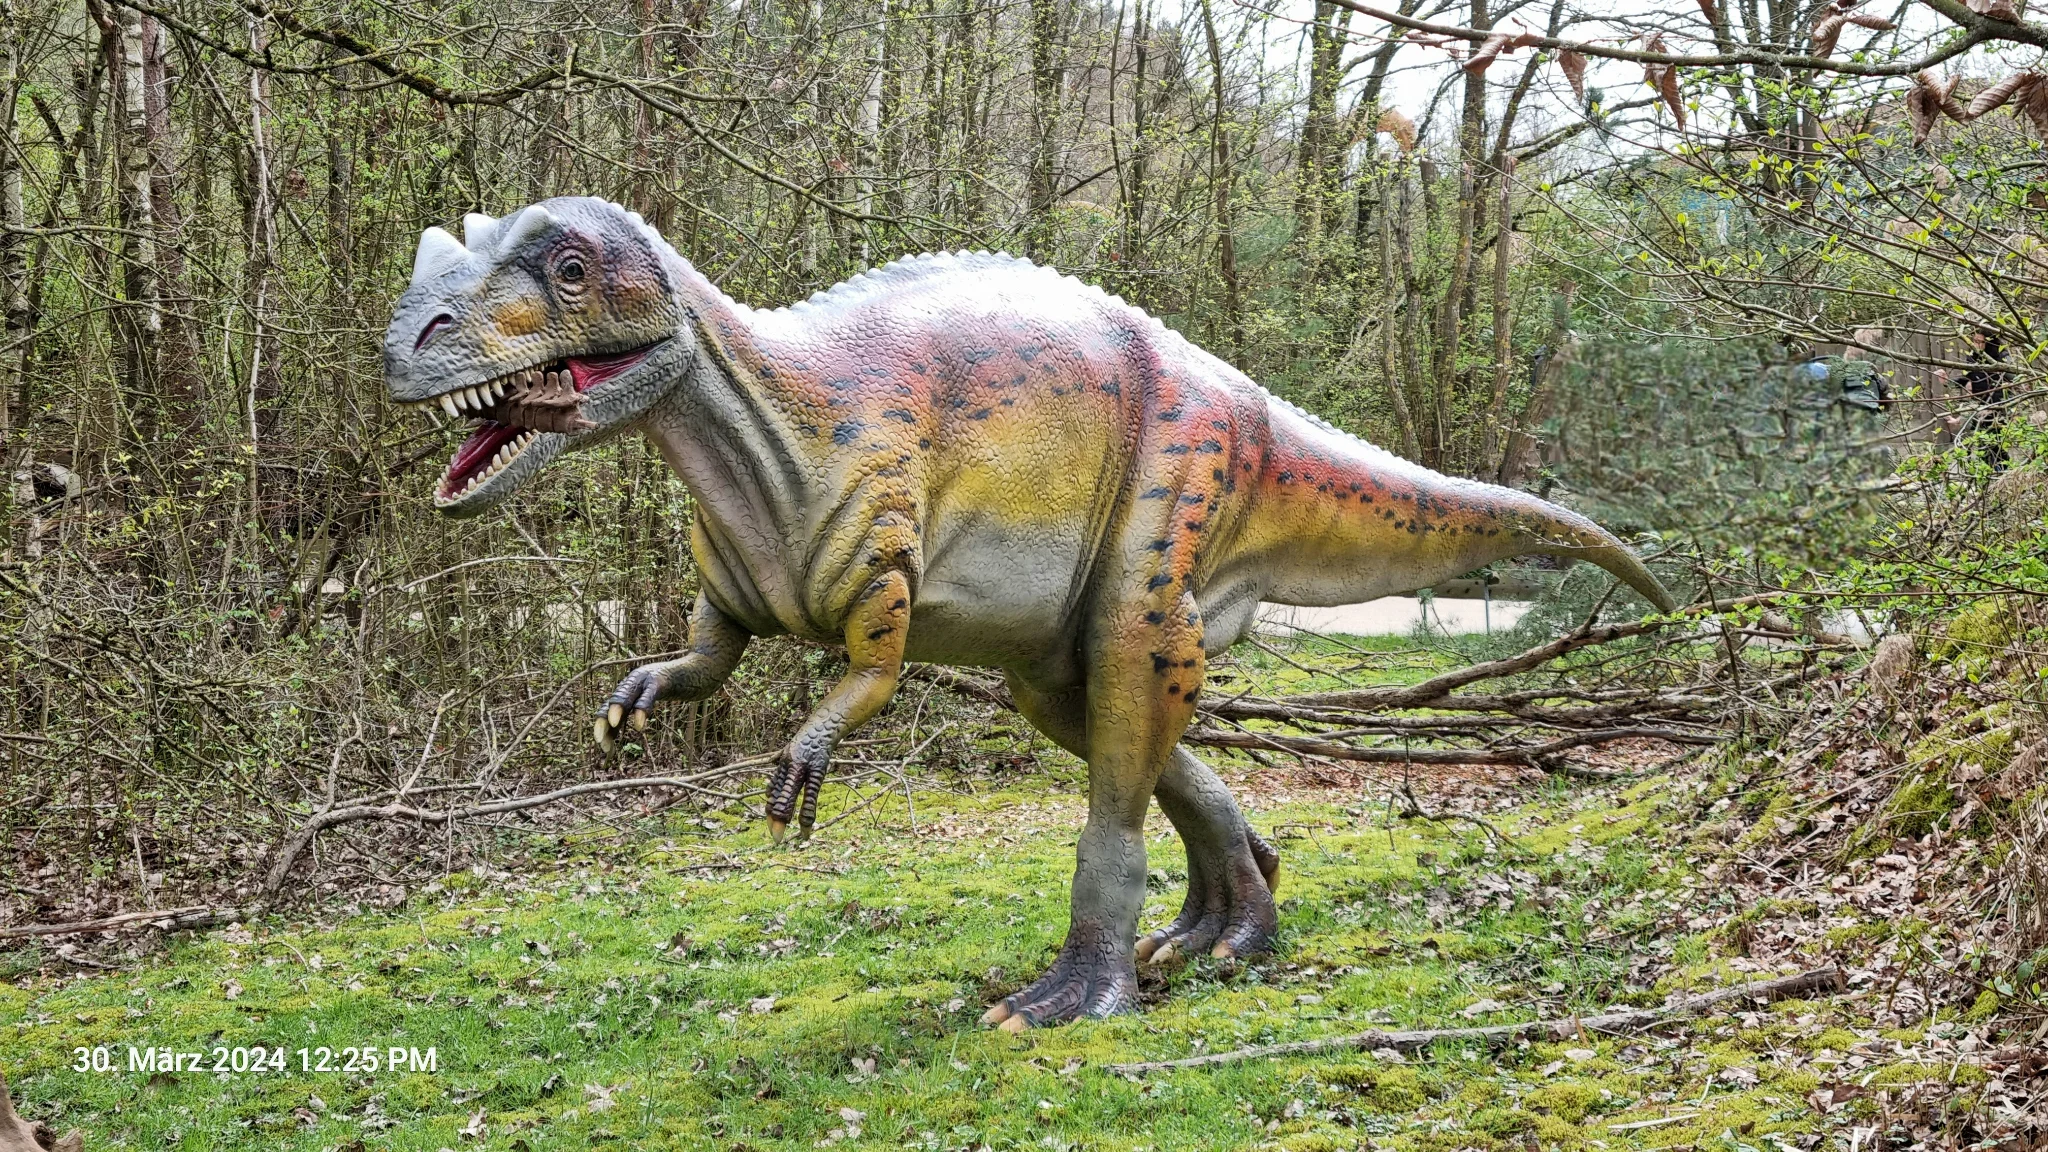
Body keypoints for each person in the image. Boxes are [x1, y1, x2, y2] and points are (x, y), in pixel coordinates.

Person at [1948, 327, 2013, 472]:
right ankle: (1991, 473)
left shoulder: (2001, 357)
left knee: (1995, 444)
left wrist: (1994, 408)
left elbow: (2010, 384)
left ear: (1989, 343)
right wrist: (1948, 381)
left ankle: (2002, 472)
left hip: (1998, 406)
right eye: (1974, 341)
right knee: (1983, 444)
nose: (1977, 345)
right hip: (1980, 406)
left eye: (1981, 342)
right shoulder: (1972, 357)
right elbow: (1968, 379)